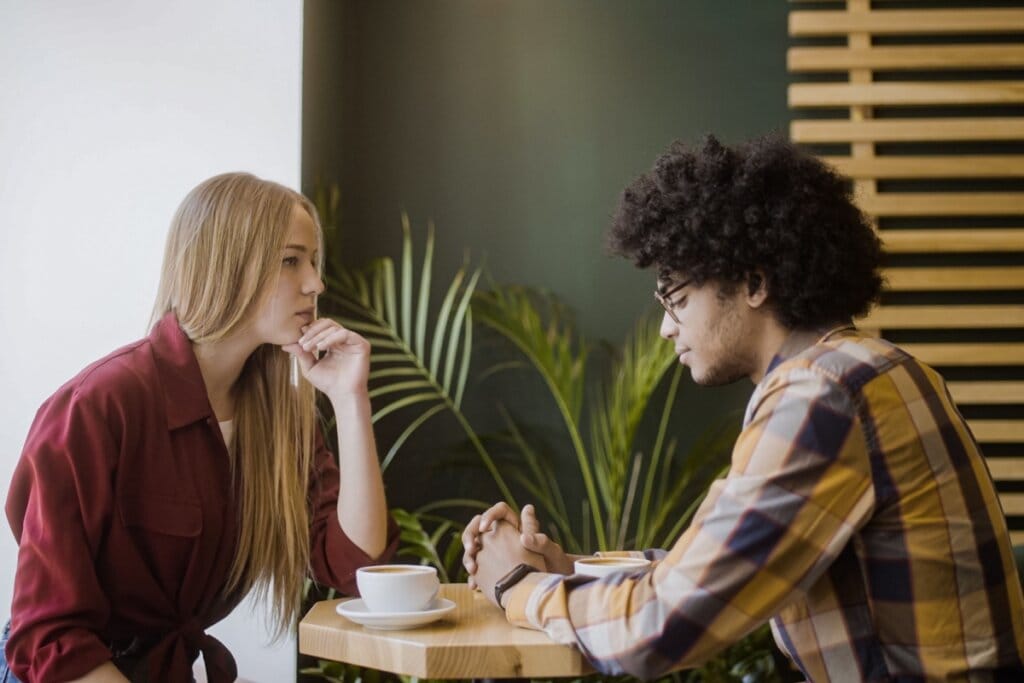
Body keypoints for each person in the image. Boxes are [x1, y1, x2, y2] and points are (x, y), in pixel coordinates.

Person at [463, 134, 1024, 681]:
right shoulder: (879, 367)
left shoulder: (821, 396)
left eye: (678, 299)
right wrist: (569, 571)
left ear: (754, 282)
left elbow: (665, 626)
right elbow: (719, 567)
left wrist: (517, 585)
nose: (664, 328)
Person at [2, 173, 399, 682]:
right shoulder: (99, 406)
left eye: (314, 261)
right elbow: (49, 636)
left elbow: (356, 568)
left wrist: (350, 399)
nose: (315, 284)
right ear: (230, 265)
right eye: (291, 260)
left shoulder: (279, 419)